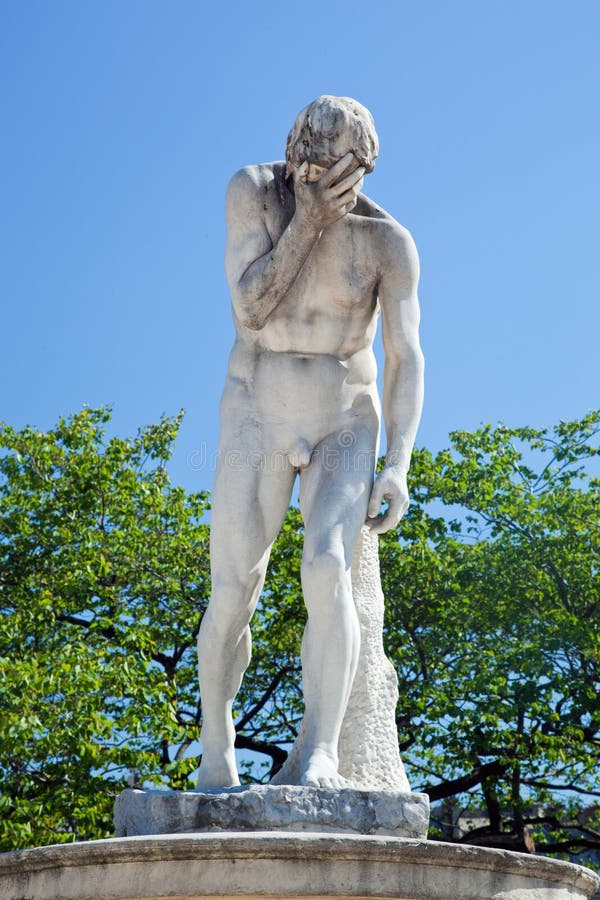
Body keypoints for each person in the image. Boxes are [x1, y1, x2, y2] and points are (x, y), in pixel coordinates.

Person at [197, 96, 424, 789]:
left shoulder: (387, 242)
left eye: (333, 170)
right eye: (305, 163)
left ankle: (321, 747)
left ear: (361, 169)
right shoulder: (254, 195)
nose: (314, 178)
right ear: (291, 153)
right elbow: (251, 307)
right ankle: (215, 742)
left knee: (328, 569)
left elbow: (405, 356)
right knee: (233, 589)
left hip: (342, 418)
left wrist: (399, 464)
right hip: (255, 409)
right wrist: (308, 224)